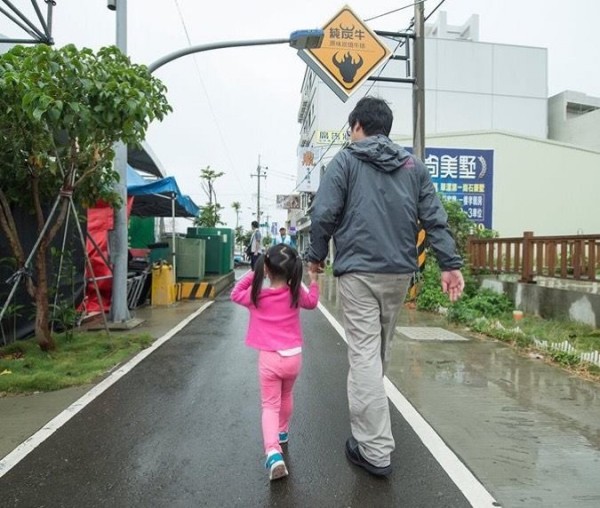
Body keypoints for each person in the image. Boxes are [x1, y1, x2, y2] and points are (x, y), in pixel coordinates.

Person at [306, 96, 464, 477]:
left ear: (358, 125)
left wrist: (315, 256)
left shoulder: (345, 160)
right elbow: (434, 217)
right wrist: (449, 263)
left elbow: (324, 213)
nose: (349, 134)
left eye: (350, 128)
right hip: (398, 273)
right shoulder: (413, 167)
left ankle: (374, 449)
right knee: (377, 350)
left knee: (363, 354)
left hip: (358, 271)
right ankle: (372, 426)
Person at [231, 244, 319, 481]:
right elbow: (312, 302)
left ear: (267, 269)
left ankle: (273, 453)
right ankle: (282, 432)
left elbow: (235, 293)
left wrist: (254, 271)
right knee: (286, 396)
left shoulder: (257, 295)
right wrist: (313, 281)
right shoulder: (295, 292)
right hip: (293, 358)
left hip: (269, 358)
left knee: (270, 404)